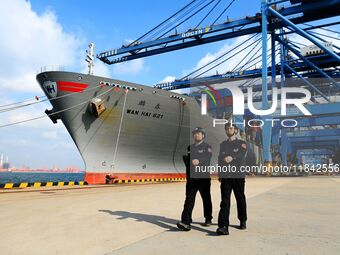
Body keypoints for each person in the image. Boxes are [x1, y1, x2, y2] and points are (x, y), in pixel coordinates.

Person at [177, 127, 213, 231]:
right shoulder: (190, 147)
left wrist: (199, 161)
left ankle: (208, 218)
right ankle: (186, 222)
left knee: (206, 199)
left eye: (198, 133)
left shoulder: (207, 147)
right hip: (192, 179)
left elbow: (207, 158)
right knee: (189, 200)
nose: (196, 135)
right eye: (195, 133)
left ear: (203, 135)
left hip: (203, 178)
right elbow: (189, 163)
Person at [216, 124, 248, 235]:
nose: (228, 130)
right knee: (224, 201)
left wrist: (232, 157)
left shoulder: (242, 143)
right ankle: (223, 226)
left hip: (238, 175)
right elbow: (220, 158)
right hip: (226, 176)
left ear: (236, 130)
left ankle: (242, 220)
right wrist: (220, 174)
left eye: (230, 128)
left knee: (240, 198)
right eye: (226, 128)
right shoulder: (223, 145)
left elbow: (241, 154)